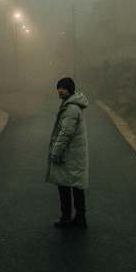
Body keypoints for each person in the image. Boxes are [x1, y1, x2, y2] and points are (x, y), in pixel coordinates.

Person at [46, 77, 89, 228]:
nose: (60, 90)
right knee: (76, 186)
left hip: (69, 154)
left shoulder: (71, 108)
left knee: (64, 185)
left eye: (63, 88)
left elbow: (65, 133)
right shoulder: (71, 105)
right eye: (58, 88)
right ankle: (79, 218)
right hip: (74, 154)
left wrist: (56, 152)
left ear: (70, 89)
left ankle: (66, 217)